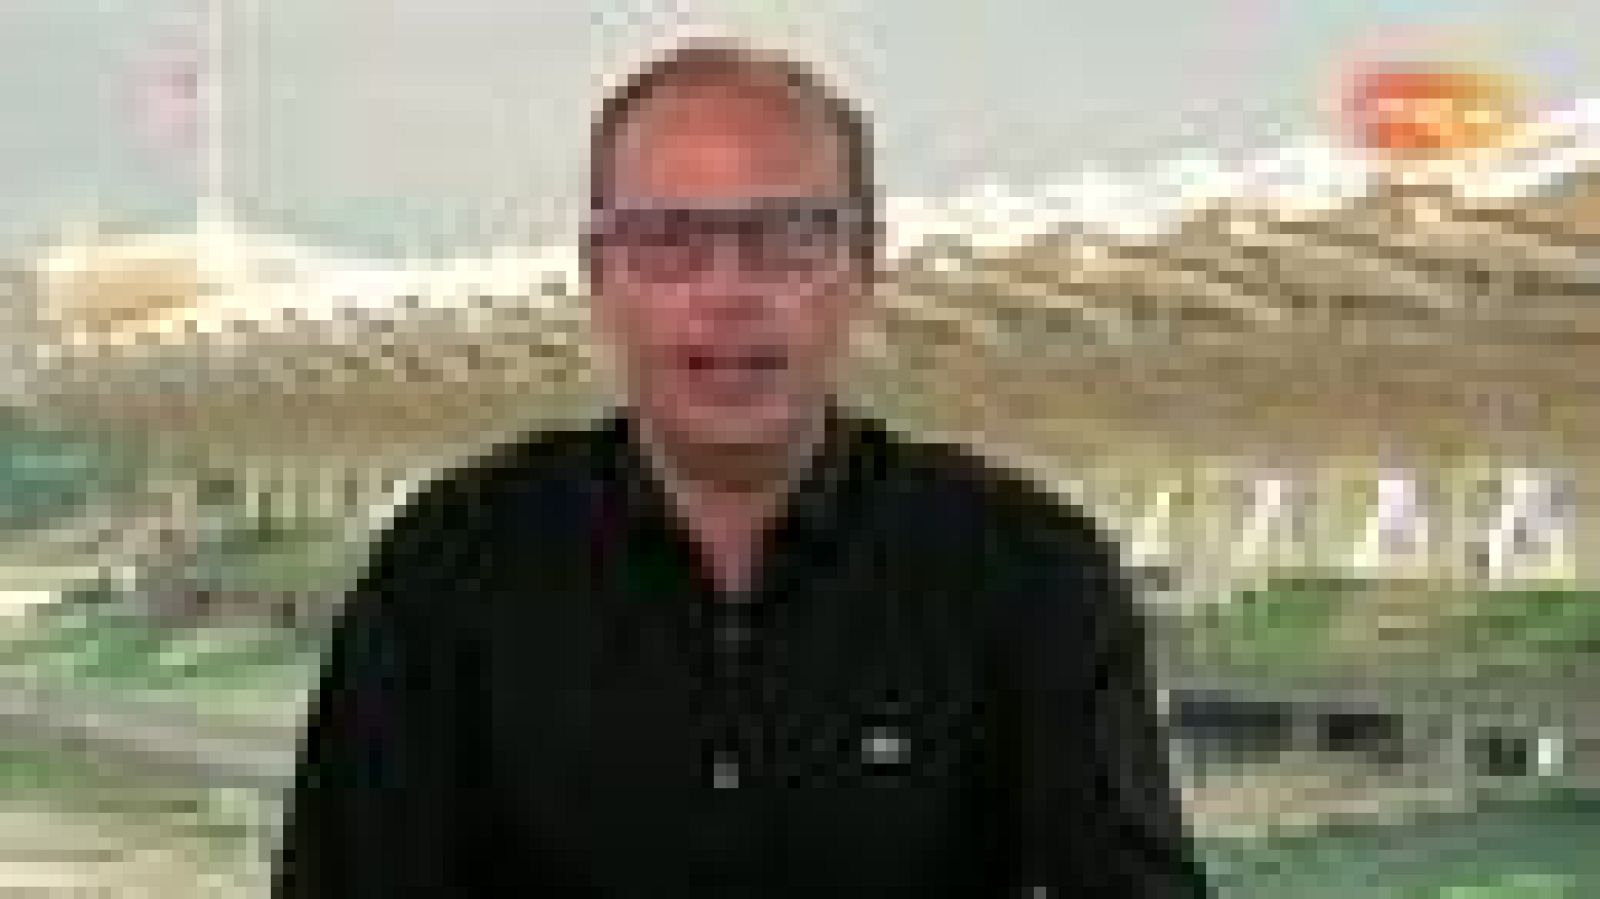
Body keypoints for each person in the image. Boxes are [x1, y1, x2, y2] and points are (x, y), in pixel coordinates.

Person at [272, 39, 1210, 899]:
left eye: (786, 238)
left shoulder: (1029, 575)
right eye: (671, 241)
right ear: (601, 275)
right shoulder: (450, 569)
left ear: (862, 266)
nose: (729, 291)